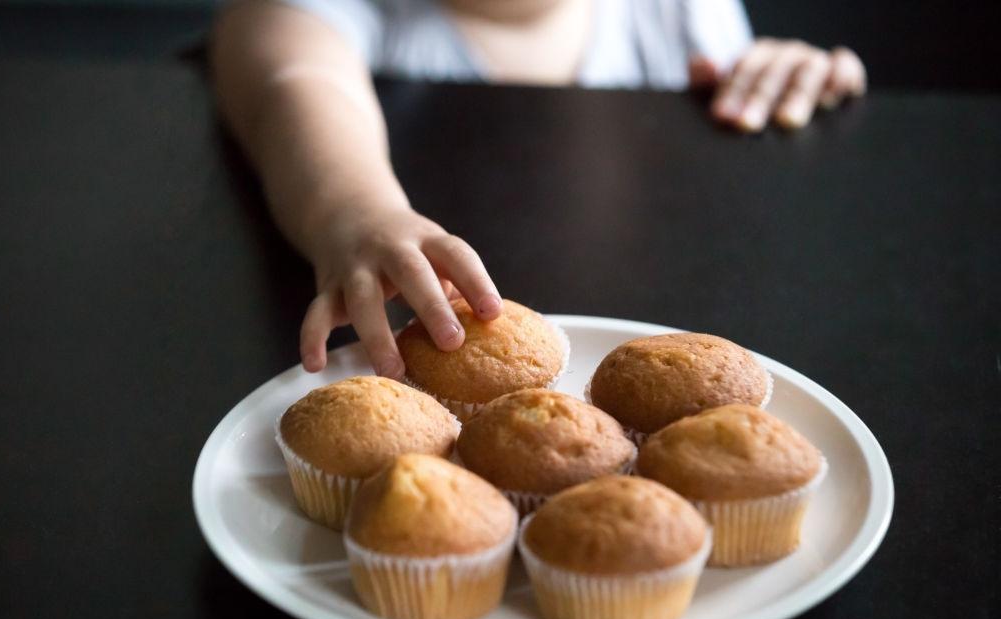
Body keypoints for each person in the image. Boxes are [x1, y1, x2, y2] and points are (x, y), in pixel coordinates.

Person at [210, 0, 866, 380]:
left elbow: (734, 103)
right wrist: (355, 210)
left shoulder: (678, 12)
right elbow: (294, 82)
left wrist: (780, 74)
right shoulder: (337, 11)